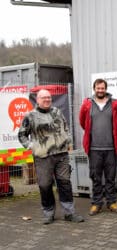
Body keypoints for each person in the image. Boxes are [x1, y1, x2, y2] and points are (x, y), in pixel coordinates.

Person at [18, 89, 84, 224]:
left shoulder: (57, 112)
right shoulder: (30, 116)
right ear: (37, 99)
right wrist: (32, 146)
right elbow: (22, 135)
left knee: (64, 183)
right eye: (43, 98)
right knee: (44, 185)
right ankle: (48, 213)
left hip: (61, 155)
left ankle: (69, 213)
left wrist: (69, 143)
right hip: (43, 157)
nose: (47, 100)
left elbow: (65, 127)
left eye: (48, 97)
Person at [79, 78, 117, 216]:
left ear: (106, 89)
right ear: (94, 89)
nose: (100, 90)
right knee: (96, 177)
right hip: (94, 148)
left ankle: (112, 202)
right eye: (98, 88)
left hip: (111, 148)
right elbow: (82, 122)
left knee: (110, 177)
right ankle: (96, 203)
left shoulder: (114, 104)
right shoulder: (87, 104)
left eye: (102, 88)